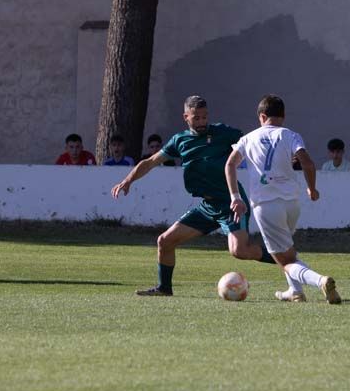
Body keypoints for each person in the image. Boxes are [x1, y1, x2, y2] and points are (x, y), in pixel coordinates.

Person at [110, 95, 281, 296]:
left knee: (239, 251)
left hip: (231, 203)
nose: (202, 122)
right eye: (196, 118)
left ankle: (285, 258)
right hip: (207, 207)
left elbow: (254, 143)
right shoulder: (180, 141)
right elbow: (150, 162)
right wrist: (128, 180)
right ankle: (164, 289)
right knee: (164, 241)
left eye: (204, 117)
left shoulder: (223, 133)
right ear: (186, 117)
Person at [225, 95, 341, 304]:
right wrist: (312, 189)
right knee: (287, 249)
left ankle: (320, 281)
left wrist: (235, 197)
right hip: (292, 203)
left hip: (266, 204)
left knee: (285, 260)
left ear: (262, 116)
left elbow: (230, 165)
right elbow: (307, 163)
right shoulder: (290, 135)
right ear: (284, 116)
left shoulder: (248, 138)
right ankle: (295, 292)